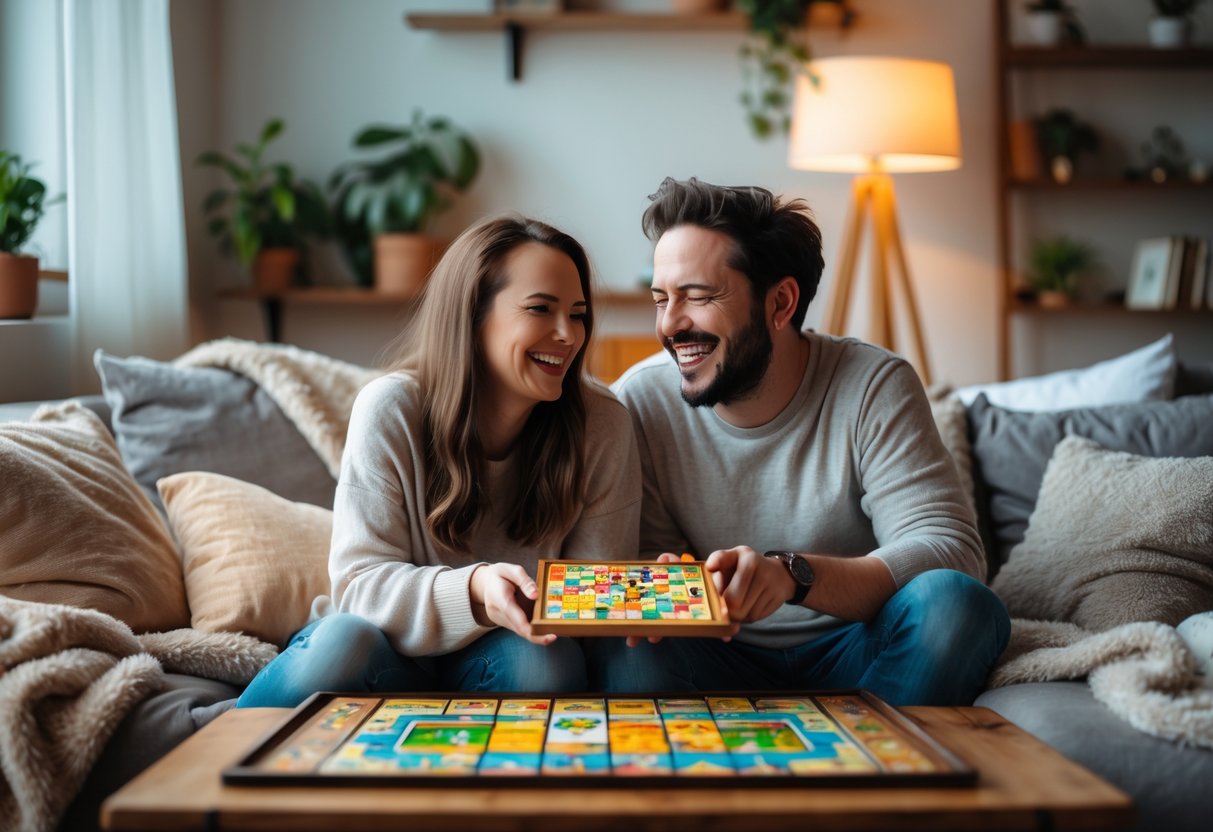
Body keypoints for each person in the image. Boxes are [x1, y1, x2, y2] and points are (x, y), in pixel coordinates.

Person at [590, 178, 1009, 706]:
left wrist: (793, 577)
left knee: (954, 606)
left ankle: (867, 767)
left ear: (781, 302)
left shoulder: (873, 384)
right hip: (713, 655)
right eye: (661, 300)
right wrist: (663, 585)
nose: (669, 325)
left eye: (697, 297)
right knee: (625, 648)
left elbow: (952, 552)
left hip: (858, 649)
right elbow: (641, 558)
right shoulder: (640, 400)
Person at [238, 216, 641, 708]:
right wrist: (475, 590)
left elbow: (591, 605)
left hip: (504, 657)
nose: (568, 335)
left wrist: (657, 599)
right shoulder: (390, 408)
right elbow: (359, 589)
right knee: (341, 644)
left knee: (544, 662)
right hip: (381, 648)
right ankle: (212, 774)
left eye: (578, 314)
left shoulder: (601, 425)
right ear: (473, 316)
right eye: (540, 309)